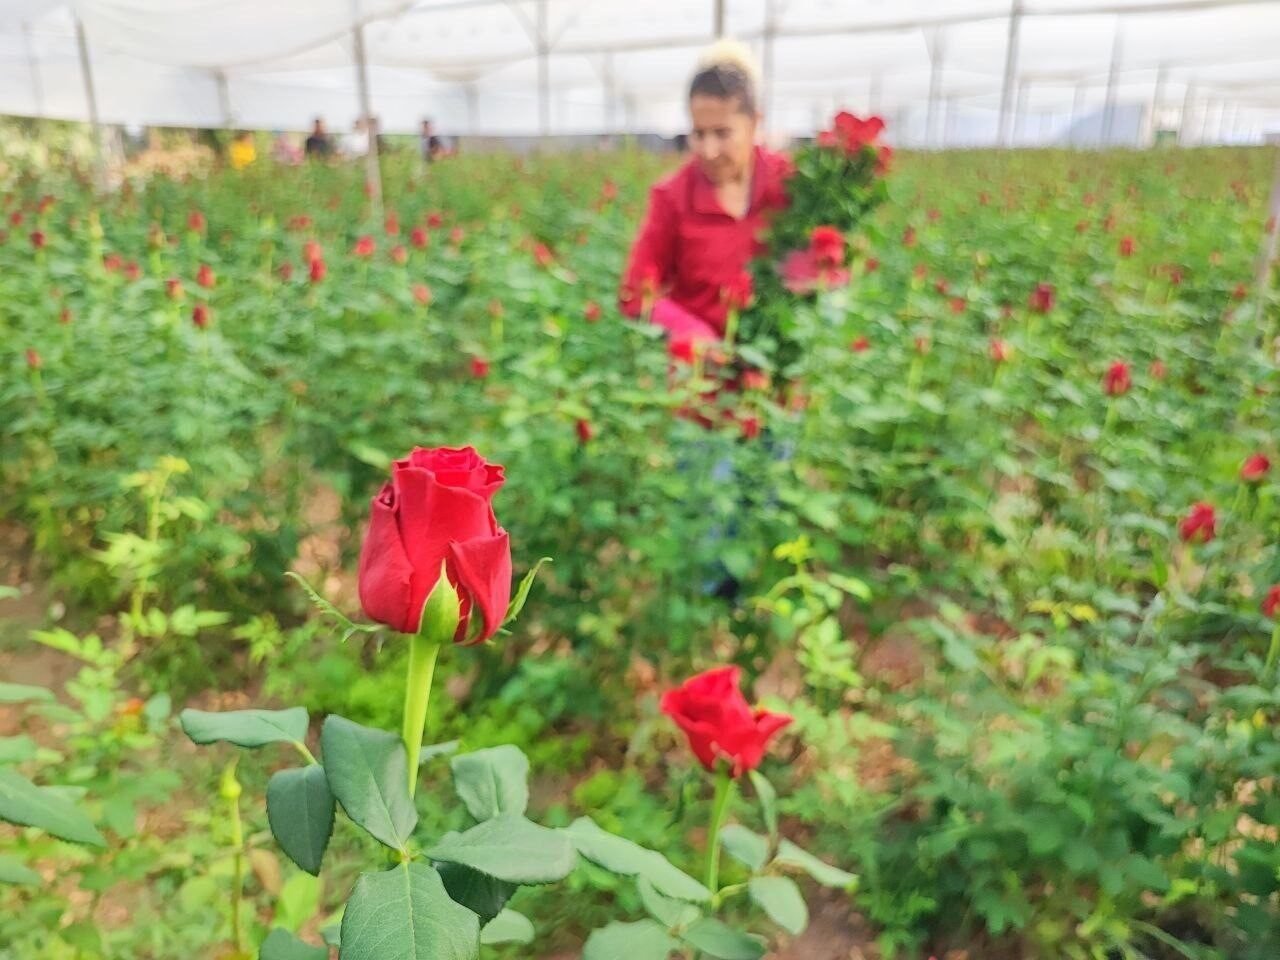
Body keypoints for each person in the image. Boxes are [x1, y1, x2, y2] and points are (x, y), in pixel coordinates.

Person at [618, 41, 789, 356]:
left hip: (776, 364)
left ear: (754, 123)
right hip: (698, 372)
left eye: (722, 133)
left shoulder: (788, 185)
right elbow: (635, 294)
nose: (708, 151)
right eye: (699, 134)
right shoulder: (672, 197)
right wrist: (691, 333)